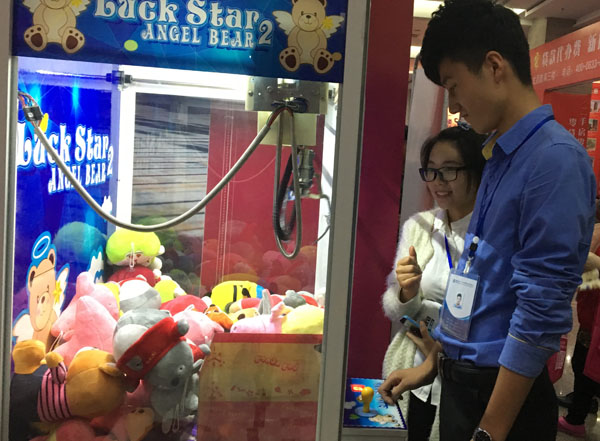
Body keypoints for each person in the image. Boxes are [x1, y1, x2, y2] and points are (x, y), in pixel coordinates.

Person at [378, 1, 596, 441]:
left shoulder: (553, 161)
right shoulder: (498, 156)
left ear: (494, 67)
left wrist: (489, 431)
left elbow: (539, 313)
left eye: (454, 86)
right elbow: (479, 286)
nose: (454, 105)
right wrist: (433, 365)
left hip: (501, 403)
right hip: (462, 384)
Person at [382, 126, 486, 441]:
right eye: (431, 170)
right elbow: (394, 308)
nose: (438, 181)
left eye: (450, 170)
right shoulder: (419, 226)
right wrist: (406, 291)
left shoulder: (492, 234)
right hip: (415, 367)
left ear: (476, 171)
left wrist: (440, 351)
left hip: (466, 374)